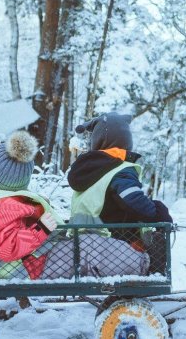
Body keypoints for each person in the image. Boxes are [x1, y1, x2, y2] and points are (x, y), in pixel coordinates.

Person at [0, 131, 148, 280]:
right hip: (27, 268)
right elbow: (7, 248)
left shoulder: (4, 201)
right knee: (89, 246)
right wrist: (40, 229)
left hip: (34, 261)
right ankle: (139, 265)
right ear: (19, 179)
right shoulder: (0, 206)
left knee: (86, 243)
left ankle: (133, 264)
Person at [68, 112, 172, 271]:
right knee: (156, 241)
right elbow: (134, 201)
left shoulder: (89, 170)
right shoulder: (119, 169)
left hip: (82, 247)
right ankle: (148, 277)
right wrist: (158, 211)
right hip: (111, 249)